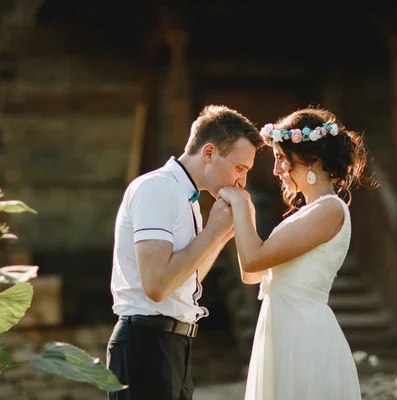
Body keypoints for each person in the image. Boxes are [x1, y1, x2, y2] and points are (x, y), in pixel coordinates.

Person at [217, 106, 378, 400]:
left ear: (311, 159)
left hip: (303, 336)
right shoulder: (305, 214)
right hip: (280, 329)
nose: (276, 170)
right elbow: (251, 273)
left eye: (281, 158)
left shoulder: (329, 209)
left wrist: (240, 204)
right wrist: (247, 212)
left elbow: (253, 258)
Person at [107, 105, 260, 400]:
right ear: (209, 153)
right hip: (145, 343)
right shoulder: (156, 188)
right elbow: (156, 285)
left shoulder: (187, 198)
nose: (242, 181)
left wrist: (222, 236)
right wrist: (213, 232)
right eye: (239, 168)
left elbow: (186, 277)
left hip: (174, 345)